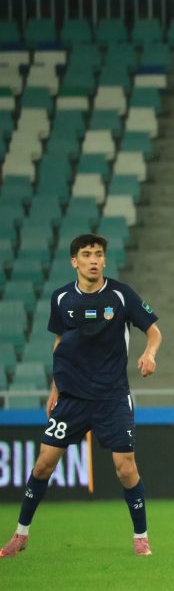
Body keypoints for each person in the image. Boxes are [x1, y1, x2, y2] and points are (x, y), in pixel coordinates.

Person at [1, 234, 162, 558]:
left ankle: (141, 537)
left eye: (98, 254)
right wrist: (55, 388)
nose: (93, 260)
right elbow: (61, 344)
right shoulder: (61, 298)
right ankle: (21, 534)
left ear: (104, 260)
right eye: (87, 254)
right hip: (72, 397)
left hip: (112, 397)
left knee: (125, 468)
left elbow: (154, 331)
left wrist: (149, 353)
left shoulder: (120, 294)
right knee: (43, 465)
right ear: (74, 261)